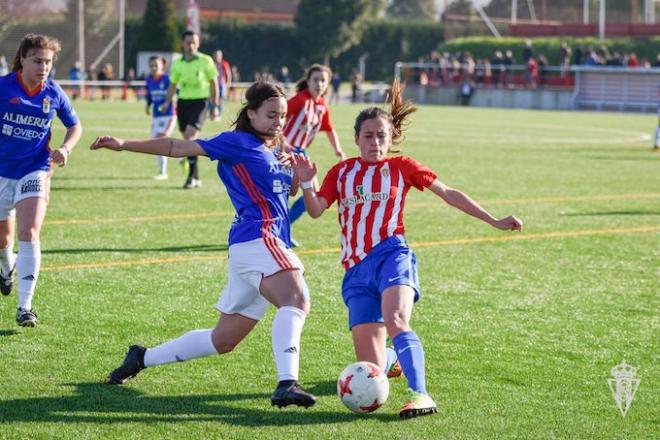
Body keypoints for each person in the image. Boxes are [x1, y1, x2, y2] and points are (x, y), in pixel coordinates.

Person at [291, 80, 523, 418]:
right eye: (368, 136)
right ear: (356, 139)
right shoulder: (341, 172)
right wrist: (307, 181)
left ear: (391, 138)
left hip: (392, 255)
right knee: (372, 367)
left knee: (397, 319)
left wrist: (494, 220)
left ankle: (421, 394)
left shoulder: (402, 167)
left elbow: (449, 193)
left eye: (382, 136)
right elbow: (314, 209)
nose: (375, 142)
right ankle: (395, 357)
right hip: (355, 271)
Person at [91, 81, 316, 408]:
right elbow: (177, 147)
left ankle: (141, 358)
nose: (278, 122)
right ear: (251, 114)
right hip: (258, 237)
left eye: (282, 115)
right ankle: (287, 383)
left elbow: (288, 194)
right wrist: (124, 144)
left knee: (223, 340)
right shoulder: (236, 143)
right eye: (271, 115)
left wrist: (300, 175)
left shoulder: (279, 151)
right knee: (295, 297)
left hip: (258, 246)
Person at [0, 33, 83, 327]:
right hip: (1, 173)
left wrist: (65, 148)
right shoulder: (4, 88)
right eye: (37, 61)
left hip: (35, 169)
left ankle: (25, 307)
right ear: (22, 59)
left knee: (30, 232)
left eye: (48, 62)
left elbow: (75, 126)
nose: (43, 67)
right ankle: (5, 265)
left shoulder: (53, 93)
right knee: (4, 240)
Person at [283, 64, 346, 244]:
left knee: (312, 195)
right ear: (308, 81)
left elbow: (330, 129)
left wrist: (338, 150)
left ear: (327, 84)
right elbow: (277, 114)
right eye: (315, 80)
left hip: (300, 153)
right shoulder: (301, 99)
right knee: (284, 193)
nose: (319, 84)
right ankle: (276, 231)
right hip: (285, 152)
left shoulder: (322, 105)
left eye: (323, 80)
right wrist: (282, 142)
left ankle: (282, 228)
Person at [160, 30, 219, 189]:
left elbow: (214, 83)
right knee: (188, 140)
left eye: (194, 42)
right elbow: (173, 84)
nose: (191, 45)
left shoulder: (206, 60)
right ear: (182, 44)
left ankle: (191, 178)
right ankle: (196, 176)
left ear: (198, 44)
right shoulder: (178, 63)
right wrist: (167, 101)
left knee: (190, 135)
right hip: (183, 103)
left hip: (201, 102)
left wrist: (214, 106)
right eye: (188, 42)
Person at [145, 56, 176, 180]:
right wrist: (148, 105)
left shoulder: (168, 79)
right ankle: (181, 158)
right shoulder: (149, 79)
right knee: (154, 142)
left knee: (160, 140)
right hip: (156, 116)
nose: (153, 68)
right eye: (151, 65)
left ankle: (163, 172)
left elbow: (175, 92)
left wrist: (168, 103)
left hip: (169, 115)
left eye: (156, 65)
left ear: (162, 66)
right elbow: (149, 95)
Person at [211, 50, 232, 121]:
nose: (216, 57)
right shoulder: (212, 63)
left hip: (221, 85)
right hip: (212, 85)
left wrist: (228, 82)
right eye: (215, 55)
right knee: (211, 99)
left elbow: (228, 73)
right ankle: (212, 114)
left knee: (219, 100)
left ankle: (218, 114)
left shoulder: (224, 63)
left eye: (218, 55)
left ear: (221, 56)